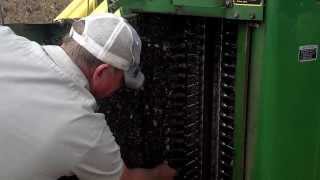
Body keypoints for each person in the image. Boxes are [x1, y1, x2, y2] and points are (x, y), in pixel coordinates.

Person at [0, 13, 176, 180]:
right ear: (102, 73)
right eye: (121, 82)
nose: (120, 89)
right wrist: (162, 173)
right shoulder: (84, 128)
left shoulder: (5, 39)